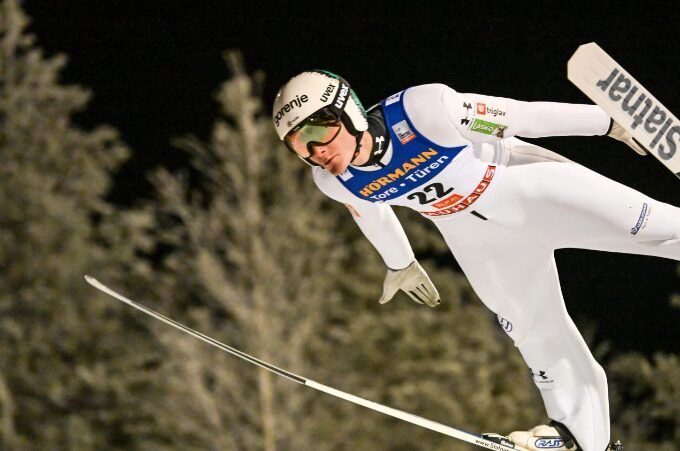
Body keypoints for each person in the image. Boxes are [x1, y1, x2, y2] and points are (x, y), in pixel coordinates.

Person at [271, 70, 679, 451]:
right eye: (297, 145)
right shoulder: (334, 181)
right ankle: (579, 435)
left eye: (316, 130)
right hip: (479, 240)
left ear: (349, 111)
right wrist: (400, 263)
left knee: (653, 226)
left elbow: (520, 118)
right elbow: (373, 213)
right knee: (532, 327)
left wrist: (607, 123)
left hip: (530, 191)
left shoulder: (423, 113)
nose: (314, 151)